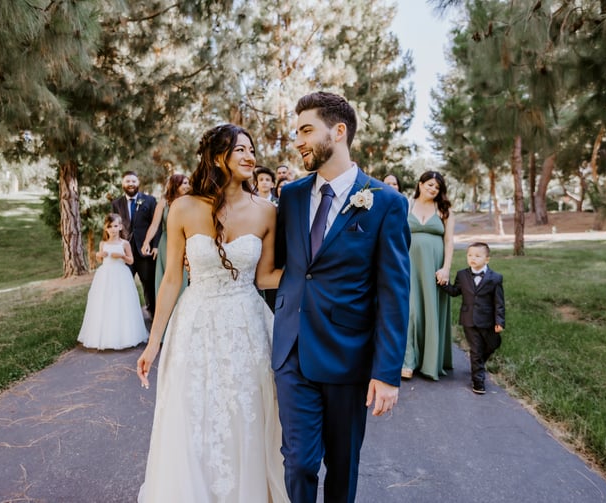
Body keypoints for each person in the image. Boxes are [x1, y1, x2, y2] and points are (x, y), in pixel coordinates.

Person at [135, 124, 288, 502]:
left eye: (252, 149)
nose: (250, 156)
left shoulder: (267, 212)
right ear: (217, 156)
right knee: (193, 416)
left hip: (248, 327)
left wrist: (321, 273)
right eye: (240, 149)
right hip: (196, 326)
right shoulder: (183, 208)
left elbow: (266, 277)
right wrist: (153, 343)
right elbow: (171, 279)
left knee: (246, 413)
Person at [273, 91, 411, 503]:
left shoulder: (385, 203)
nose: (297, 140)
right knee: (298, 462)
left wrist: (387, 373)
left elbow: (394, 293)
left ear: (338, 131)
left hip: (348, 356)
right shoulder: (292, 196)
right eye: (296, 131)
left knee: (342, 466)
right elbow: (280, 265)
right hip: (292, 350)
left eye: (306, 130)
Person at [401, 170, 455, 381]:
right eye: (429, 184)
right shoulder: (406, 204)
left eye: (437, 187)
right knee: (410, 311)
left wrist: (446, 268)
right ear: (420, 184)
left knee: (429, 311)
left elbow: (449, 241)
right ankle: (408, 360)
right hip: (409, 264)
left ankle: (429, 361)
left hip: (433, 265)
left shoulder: (444, 209)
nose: (432, 189)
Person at [441, 242, 505, 394]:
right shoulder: (462, 275)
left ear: (487, 259)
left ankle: (478, 364)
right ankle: (478, 381)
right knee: (476, 349)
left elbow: (499, 302)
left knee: (494, 343)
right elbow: (455, 291)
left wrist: (499, 321)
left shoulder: (495, 278)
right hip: (469, 318)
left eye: (477, 256)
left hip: (488, 320)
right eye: (470, 255)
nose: (473, 258)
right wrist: (443, 283)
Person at [77, 214, 148, 350]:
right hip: (105, 276)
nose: (113, 230)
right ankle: (105, 335)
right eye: (110, 227)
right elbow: (100, 259)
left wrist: (121, 256)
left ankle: (124, 335)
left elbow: (131, 260)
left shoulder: (124, 243)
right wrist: (99, 255)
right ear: (106, 229)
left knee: (120, 302)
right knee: (105, 302)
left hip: (121, 275)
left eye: (116, 226)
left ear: (120, 227)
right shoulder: (103, 244)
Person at [112, 170, 160, 317]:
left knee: (148, 283)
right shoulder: (116, 203)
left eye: (133, 181)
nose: (131, 184)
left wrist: (156, 245)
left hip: (145, 251)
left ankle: (153, 313)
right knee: (125, 284)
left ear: (138, 183)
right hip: (125, 252)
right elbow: (114, 226)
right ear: (123, 184)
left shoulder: (150, 200)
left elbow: (156, 224)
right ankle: (127, 316)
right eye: (128, 181)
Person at [140, 173, 191, 301]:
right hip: (167, 244)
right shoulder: (164, 202)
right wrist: (146, 242)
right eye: (184, 183)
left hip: (187, 243)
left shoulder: (190, 201)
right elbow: (154, 225)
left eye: (188, 183)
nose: (188, 186)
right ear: (176, 184)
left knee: (184, 277)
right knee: (169, 278)